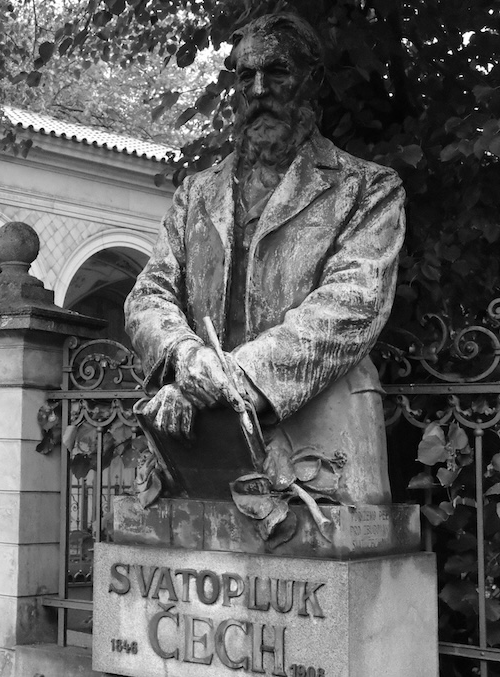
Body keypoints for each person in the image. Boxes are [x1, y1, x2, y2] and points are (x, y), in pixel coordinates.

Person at [125, 12, 405, 508]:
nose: (259, 90)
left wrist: (235, 377)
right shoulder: (196, 194)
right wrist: (186, 358)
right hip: (201, 432)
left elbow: (352, 304)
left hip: (322, 440)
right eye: (245, 76)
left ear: (312, 81)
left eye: (277, 72)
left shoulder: (368, 188)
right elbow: (149, 294)